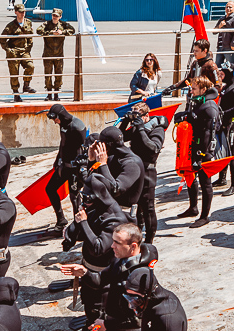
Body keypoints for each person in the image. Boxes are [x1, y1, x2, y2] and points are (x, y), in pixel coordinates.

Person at [60, 175, 134, 331]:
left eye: (87, 198)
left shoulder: (113, 218)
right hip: (89, 272)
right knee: (89, 307)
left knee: (98, 315)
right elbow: (76, 232)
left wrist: (83, 222)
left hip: (104, 278)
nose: (84, 201)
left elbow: (99, 247)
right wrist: (74, 227)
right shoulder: (95, 208)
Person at [118, 101, 167, 244]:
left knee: (148, 207)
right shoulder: (135, 127)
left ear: (146, 116)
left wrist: (140, 128)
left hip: (148, 171)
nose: (135, 119)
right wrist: (125, 122)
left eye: (138, 115)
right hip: (135, 171)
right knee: (137, 204)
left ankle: (150, 240)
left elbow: (153, 148)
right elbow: (119, 139)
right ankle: (138, 235)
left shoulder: (157, 129)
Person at [177, 76, 221, 227]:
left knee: (205, 182)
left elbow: (210, 135)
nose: (191, 90)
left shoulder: (209, 107)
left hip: (204, 152)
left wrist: (201, 156)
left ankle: (204, 216)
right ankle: (193, 207)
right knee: (190, 177)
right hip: (193, 147)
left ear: (203, 89)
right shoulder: (197, 101)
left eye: (194, 88)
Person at [45, 104, 88, 232]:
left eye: (55, 119)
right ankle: (61, 219)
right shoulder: (63, 124)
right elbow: (63, 144)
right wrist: (58, 160)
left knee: (74, 197)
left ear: (60, 116)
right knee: (50, 188)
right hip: (64, 166)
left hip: (75, 168)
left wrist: (82, 169)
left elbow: (84, 148)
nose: (54, 122)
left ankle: (79, 225)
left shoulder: (77, 126)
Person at [89, 125, 146, 210]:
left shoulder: (132, 163)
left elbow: (115, 190)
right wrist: (92, 160)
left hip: (123, 213)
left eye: (101, 144)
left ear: (106, 145)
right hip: (109, 208)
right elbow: (92, 181)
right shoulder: (113, 157)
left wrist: (102, 164)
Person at [216, 62, 234, 196]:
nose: (220, 76)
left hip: (233, 125)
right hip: (225, 124)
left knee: (232, 154)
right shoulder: (226, 88)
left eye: (222, 74)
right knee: (224, 151)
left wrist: (223, 113)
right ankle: (222, 179)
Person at [36, 8, 76, 101]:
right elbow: (38, 30)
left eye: (57, 16)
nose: (55, 17)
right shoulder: (47, 24)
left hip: (59, 55)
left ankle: (56, 94)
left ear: (60, 17)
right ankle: (49, 94)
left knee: (58, 75)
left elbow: (72, 30)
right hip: (48, 54)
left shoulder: (63, 25)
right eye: (53, 15)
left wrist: (63, 32)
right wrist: (51, 33)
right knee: (48, 75)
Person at [0, 3, 36, 102]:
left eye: (23, 12)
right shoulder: (11, 26)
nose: (22, 14)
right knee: (14, 73)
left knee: (30, 66)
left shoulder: (28, 22)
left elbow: (30, 37)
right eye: (20, 12)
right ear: (16, 12)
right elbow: (2, 39)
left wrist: (28, 48)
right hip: (14, 51)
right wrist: (8, 50)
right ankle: (16, 93)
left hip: (24, 51)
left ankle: (26, 85)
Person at [214, 1, 234, 72]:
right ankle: (219, 81)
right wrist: (219, 26)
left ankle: (232, 81)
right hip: (220, 46)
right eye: (227, 7)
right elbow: (214, 31)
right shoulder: (222, 19)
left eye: (230, 7)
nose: (228, 8)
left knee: (230, 66)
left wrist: (233, 44)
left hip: (229, 47)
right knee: (217, 66)